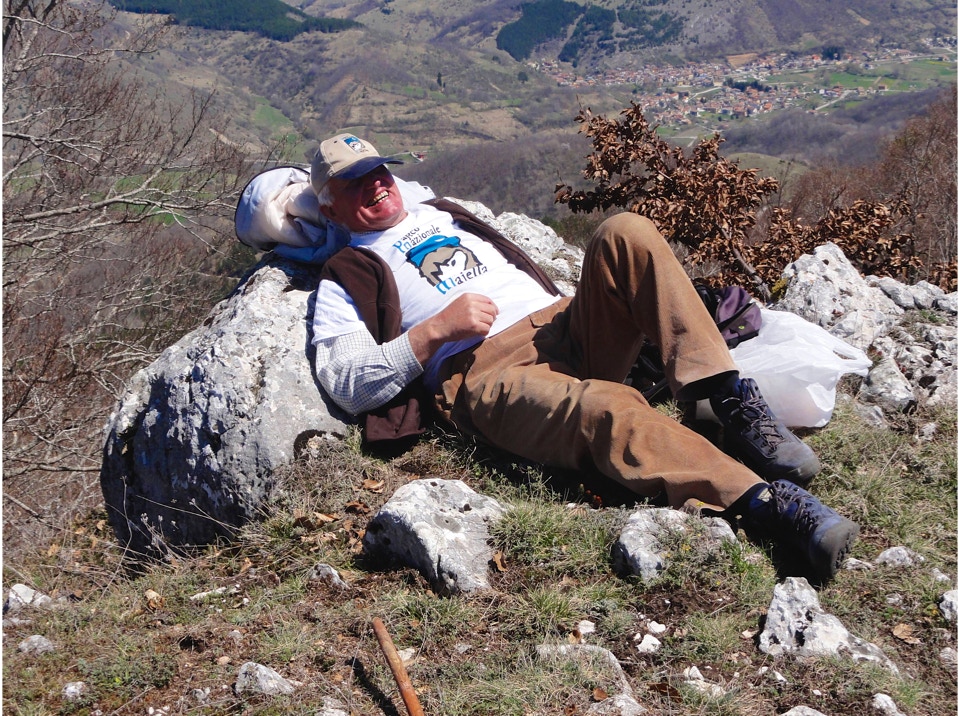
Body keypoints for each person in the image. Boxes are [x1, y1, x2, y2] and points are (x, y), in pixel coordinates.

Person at [309, 133, 859, 579]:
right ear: (330, 205)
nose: (375, 183)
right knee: (605, 406)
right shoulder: (346, 275)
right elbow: (347, 382)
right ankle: (766, 505)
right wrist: (434, 332)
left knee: (625, 231)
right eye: (354, 181)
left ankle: (730, 401)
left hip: (563, 323)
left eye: (379, 170)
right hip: (490, 372)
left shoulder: (439, 211)